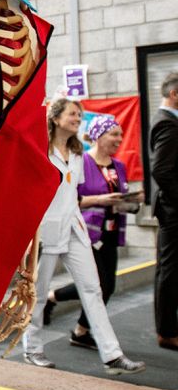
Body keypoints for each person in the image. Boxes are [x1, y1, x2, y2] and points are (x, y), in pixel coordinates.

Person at [22, 97, 144, 375]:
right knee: (38, 295)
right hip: (47, 228)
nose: (78, 119)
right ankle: (33, 349)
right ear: (55, 118)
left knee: (93, 289)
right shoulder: (41, 149)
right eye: (73, 114)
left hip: (74, 226)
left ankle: (112, 355)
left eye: (79, 115)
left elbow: (73, 193)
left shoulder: (77, 152)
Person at [44, 115, 135, 344]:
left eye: (121, 134)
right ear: (98, 136)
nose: (119, 139)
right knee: (99, 284)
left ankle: (79, 329)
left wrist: (131, 201)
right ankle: (59, 307)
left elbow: (121, 195)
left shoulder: (119, 166)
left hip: (111, 232)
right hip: (85, 231)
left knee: (108, 287)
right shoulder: (81, 162)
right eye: (114, 134)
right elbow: (69, 198)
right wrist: (100, 200)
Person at [153, 71, 178, 351]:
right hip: (173, 211)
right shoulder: (167, 124)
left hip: (171, 208)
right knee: (169, 272)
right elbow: (161, 169)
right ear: (175, 94)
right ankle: (167, 331)